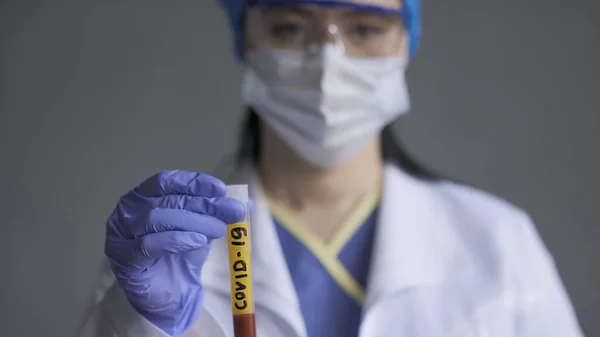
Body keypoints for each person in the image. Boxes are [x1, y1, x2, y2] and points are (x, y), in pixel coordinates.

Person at [77, 0, 585, 336]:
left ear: (406, 40)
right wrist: (141, 323)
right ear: (244, 37)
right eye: (291, 27)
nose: (328, 58)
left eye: (365, 27)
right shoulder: (169, 253)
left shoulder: (500, 244)